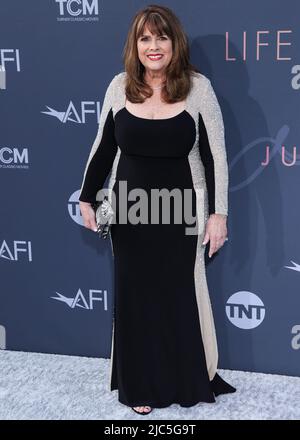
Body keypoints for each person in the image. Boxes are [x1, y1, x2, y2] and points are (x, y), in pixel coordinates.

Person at [78, 4, 236, 415]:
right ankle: (140, 386)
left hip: (181, 209)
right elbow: (103, 147)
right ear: (135, 45)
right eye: (145, 38)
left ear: (174, 43)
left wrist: (219, 215)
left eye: (161, 37)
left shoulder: (198, 88)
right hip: (129, 208)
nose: (153, 46)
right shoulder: (119, 86)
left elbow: (215, 155)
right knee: (135, 296)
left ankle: (184, 379)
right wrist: (86, 195)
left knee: (178, 294)